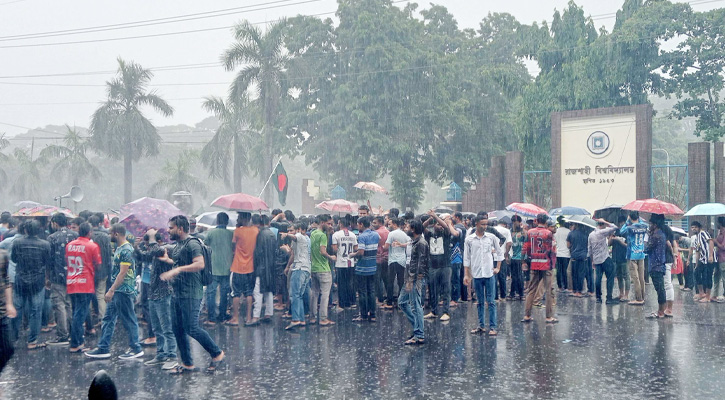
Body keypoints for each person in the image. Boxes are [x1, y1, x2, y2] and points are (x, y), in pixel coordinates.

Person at [159, 215, 225, 374]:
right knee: (177, 329)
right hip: (178, 292)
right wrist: (170, 263)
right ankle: (187, 363)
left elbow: (199, 264)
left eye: (171, 227)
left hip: (191, 293)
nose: (168, 230)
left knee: (191, 327)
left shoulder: (193, 243)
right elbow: (180, 262)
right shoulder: (179, 245)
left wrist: (177, 270)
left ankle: (217, 353)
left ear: (180, 229)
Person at [85, 224, 143, 360]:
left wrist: (111, 290)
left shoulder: (126, 250)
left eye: (110, 233)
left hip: (123, 290)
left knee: (129, 319)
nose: (109, 235)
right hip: (118, 290)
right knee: (108, 318)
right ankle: (103, 347)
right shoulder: (120, 248)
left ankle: (136, 348)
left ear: (116, 234)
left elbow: (123, 273)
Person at [134, 229, 177, 369]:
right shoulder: (152, 251)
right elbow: (143, 256)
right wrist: (137, 246)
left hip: (163, 293)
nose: (148, 246)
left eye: (149, 243)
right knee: (157, 327)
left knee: (167, 327)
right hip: (153, 293)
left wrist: (151, 238)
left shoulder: (165, 249)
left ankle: (172, 356)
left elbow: (156, 251)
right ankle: (161, 354)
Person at [11, 219, 51, 349]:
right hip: (37, 281)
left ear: (25, 230)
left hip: (20, 279)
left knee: (17, 308)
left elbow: (14, 259)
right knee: (36, 310)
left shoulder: (17, 242)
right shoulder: (45, 244)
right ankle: (32, 341)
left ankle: (13, 337)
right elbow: (47, 262)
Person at [65, 222, 101, 353]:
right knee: (79, 315)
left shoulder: (69, 245)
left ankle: (76, 340)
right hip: (85, 283)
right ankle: (76, 343)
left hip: (72, 281)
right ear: (89, 232)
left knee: (76, 312)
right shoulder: (92, 246)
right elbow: (97, 264)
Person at [464, 214, 502, 336]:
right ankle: (481, 325)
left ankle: (493, 327)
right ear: (476, 224)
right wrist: (466, 275)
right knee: (480, 301)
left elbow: (500, 253)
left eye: (486, 224)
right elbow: (467, 258)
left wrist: (498, 267)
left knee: (491, 301)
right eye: (483, 224)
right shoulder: (469, 239)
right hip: (477, 274)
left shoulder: (491, 238)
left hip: (489, 273)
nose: (485, 226)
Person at [45, 213, 79, 346]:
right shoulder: (75, 236)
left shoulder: (52, 238)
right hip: (74, 275)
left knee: (59, 305)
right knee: (69, 304)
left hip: (57, 276)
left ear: (54, 223)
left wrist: (47, 277)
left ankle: (62, 335)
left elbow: (49, 260)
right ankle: (72, 331)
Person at [522, 213, 557, 324]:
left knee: (531, 289)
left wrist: (525, 261)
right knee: (548, 290)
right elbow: (552, 251)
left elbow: (526, 248)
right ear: (546, 221)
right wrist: (552, 265)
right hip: (546, 264)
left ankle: (527, 315)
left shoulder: (530, 232)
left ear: (536, 220)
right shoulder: (548, 233)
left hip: (534, 263)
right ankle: (548, 317)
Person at [423, 210, 457, 321]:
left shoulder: (446, 234)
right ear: (433, 225)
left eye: (441, 224)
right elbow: (421, 227)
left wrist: (437, 218)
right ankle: (434, 311)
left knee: (446, 289)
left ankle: (446, 312)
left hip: (445, 266)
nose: (440, 226)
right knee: (433, 290)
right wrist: (430, 218)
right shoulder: (429, 234)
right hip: (433, 266)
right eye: (437, 224)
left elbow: (447, 228)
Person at [399, 219, 428, 345]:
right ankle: (417, 327)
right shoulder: (413, 241)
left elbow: (421, 264)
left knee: (415, 306)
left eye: (407, 227)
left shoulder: (421, 243)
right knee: (402, 302)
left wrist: (414, 280)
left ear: (413, 229)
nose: (405, 229)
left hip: (414, 279)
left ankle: (419, 334)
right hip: (409, 278)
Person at [203, 212, 233, 326]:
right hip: (226, 266)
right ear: (227, 222)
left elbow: (205, 246)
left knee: (211, 292)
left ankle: (211, 318)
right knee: (225, 292)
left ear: (217, 221)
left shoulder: (210, 233)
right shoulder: (231, 234)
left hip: (213, 266)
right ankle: (222, 315)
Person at [229, 212, 258, 326]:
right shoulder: (255, 231)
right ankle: (249, 318)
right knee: (249, 293)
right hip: (250, 267)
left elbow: (232, 246)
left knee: (236, 293)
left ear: (242, 218)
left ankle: (235, 318)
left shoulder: (238, 231)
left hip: (237, 266)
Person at [282, 222, 311, 330]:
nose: (291, 232)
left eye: (292, 230)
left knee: (294, 294)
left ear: (299, 229)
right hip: (307, 269)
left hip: (299, 268)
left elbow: (295, 237)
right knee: (299, 295)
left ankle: (295, 319)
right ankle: (301, 319)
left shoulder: (299, 236)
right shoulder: (307, 238)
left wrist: (286, 235)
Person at [309, 214, 335, 326]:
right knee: (325, 294)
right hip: (323, 269)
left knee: (314, 293)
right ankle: (323, 318)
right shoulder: (323, 236)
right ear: (322, 222)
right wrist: (331, 257)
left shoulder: (313, 233)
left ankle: (313, 317)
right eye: (328, 223)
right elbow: (322, 251)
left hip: (313, 268)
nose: (330, 226)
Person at [353, 216, 380, 322]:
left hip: (362, 267)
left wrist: (353, 255)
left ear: (361, 225)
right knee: (371, 291)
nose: (357, 226)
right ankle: (372, 314)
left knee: (362, 291)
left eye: (358, 224)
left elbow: (361, 252)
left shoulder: (362, 237)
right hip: (373, 266)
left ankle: (363, 314)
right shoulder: (375, 235)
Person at [252, 215, 277, 324]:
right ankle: (268, 313)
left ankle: (256, 316)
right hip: (270, 266)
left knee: (258, 292)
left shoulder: (260, 235)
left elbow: (258, 253)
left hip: (261, 267)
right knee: (269, 291)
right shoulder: (272, 234)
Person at [620, 211, 648, 305]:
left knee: (635, 278)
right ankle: (643, 296)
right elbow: (644, 223)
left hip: (632, 254)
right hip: (641, 254)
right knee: (641, 277)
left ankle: (638, 298)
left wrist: (628, 221)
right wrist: (638, 219)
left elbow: (621, 231)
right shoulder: (644, 226)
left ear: (630, 217)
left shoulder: (630, 227)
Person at [588, 219, 619, 304]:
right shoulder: (602, 232)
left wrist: (592, 260)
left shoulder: (591, 235)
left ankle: (598, 297)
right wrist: (606, 222)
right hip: (605, 258)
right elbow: (615, 227)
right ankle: (609, 298)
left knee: (598, 278)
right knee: (610, 277)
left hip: (596, 260)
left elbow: (589, 249)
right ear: (603, 225)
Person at [89, 215, 112, 321]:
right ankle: (103, 318)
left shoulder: (88, 236)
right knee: (101, 294)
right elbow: (108, 254)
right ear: (99, 223)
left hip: (90, 270)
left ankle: (88, 319)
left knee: (89, 294)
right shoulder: (106, 236)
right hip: (102, 269)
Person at [332, 216, 358, 309]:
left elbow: (335, 249)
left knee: (341, 283)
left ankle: (342, 303)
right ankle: (352, 301)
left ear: (341, 224)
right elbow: (356, 248)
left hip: (340, 262)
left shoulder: (336, 234)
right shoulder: (353, 235)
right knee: (350, 282)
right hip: (350, 261)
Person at [383, 217, 409, 309]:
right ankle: (401, 301)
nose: (388, 226)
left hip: (393, 260)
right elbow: (409, 244)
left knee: (390, 281)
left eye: (390, 224)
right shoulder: (404, 234)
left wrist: (382, 246)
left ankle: (389, 302)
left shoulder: (391, 234)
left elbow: (386, 247)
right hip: (402, 260)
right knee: (401, 281)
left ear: (394, 224)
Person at [645, 217, 668, 319]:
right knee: (661, 289)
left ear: (655, 224)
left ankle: (661, 311)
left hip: (655, 265)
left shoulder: (655, 236)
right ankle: (662, 310)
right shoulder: (662, 234)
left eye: (651, 224)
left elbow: (647, 249)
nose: (649, 226)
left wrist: (648, 236)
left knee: (660, 289)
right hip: (660, 264)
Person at [691, 220, 716, 303]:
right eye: (692, 227)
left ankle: (708, 296)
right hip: (702, 259)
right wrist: (697, 264)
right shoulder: (696, 237)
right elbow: (697, 251)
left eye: (695, 227)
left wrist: (710, 255)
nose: (693, 229)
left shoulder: (703, 233)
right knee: (696, 273)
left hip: (709, 258)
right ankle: (701, 293)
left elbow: (711, 241)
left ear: (699, 228)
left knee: (708, 276)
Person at [0, 250, 17, 373]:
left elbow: (6, 280)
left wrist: (9, 303)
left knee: (9, 348)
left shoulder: (2, 256)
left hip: (2, 311)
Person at [566, 222, 589, 298]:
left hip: (574, 256)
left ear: (576, 225)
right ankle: (579, 291)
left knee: (574, 274)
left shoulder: (571, 233)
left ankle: (574, 291)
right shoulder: (586, 234)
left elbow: (568, 245)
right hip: (583, 256)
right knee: (581, 274)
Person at [610, 216, 630, 302]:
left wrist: (619, 241)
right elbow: (609, 243)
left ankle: (626, 295)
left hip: (624, 257)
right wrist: (611, 236)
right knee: (619, 276)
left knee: (626, 276)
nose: (621, 225)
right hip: (616, 257)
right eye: (620, 223)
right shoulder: (616, 232)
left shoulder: (627, 232)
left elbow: (628, 245)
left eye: (622, 223)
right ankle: (621, 293)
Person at [493, 219, 513, 301]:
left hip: (492, 256)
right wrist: (506, 254)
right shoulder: (506, 231)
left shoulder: (492, 229)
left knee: (494, 276)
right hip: (502, 256)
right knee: (502, 277)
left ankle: (495, 297)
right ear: (504, 224)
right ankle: (503, 296)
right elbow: (509, 243)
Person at [449, 212, 466, 304]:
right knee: (453, 279)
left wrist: (448, 224)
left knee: (455, 278)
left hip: (456, 256)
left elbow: (456, 234)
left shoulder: (459, 227)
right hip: (452, 257)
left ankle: (455, 299)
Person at [373, 216, 390, 308]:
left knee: (377, 279)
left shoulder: (376, 233)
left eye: (375, 223)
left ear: (379, 223)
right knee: (386, 279)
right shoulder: (388, 232)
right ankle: (388, 297)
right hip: (387, 258)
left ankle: (379, 298)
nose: (373, 224)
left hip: (378, 258)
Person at [509, 215, 526, 300]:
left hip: (521, 257)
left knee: (520, 276)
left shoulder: (523, 232)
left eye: (515, 222)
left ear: (519, 222)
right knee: (514, 276)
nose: (514, 224)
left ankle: (521, 293)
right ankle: (513, 293)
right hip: (513, 257)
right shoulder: (510, 232)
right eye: (513, 222)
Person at [553, 218, 571, 292]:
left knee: (558, 270)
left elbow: (554, 242)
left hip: (558, 253)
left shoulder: (556, 231)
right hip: (566, 253)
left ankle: (560, 286)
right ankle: (565, 286)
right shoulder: (568, 231)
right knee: (565, 271)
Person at [713, 217, 725, 301]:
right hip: (717, 258)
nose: (716, 224)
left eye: (717, 222)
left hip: (723, 258)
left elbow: (723, 247)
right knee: (716, 276)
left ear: (720, 223)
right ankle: (715, 294)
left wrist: (716, 242)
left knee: (724, 278)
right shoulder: (719, 232)